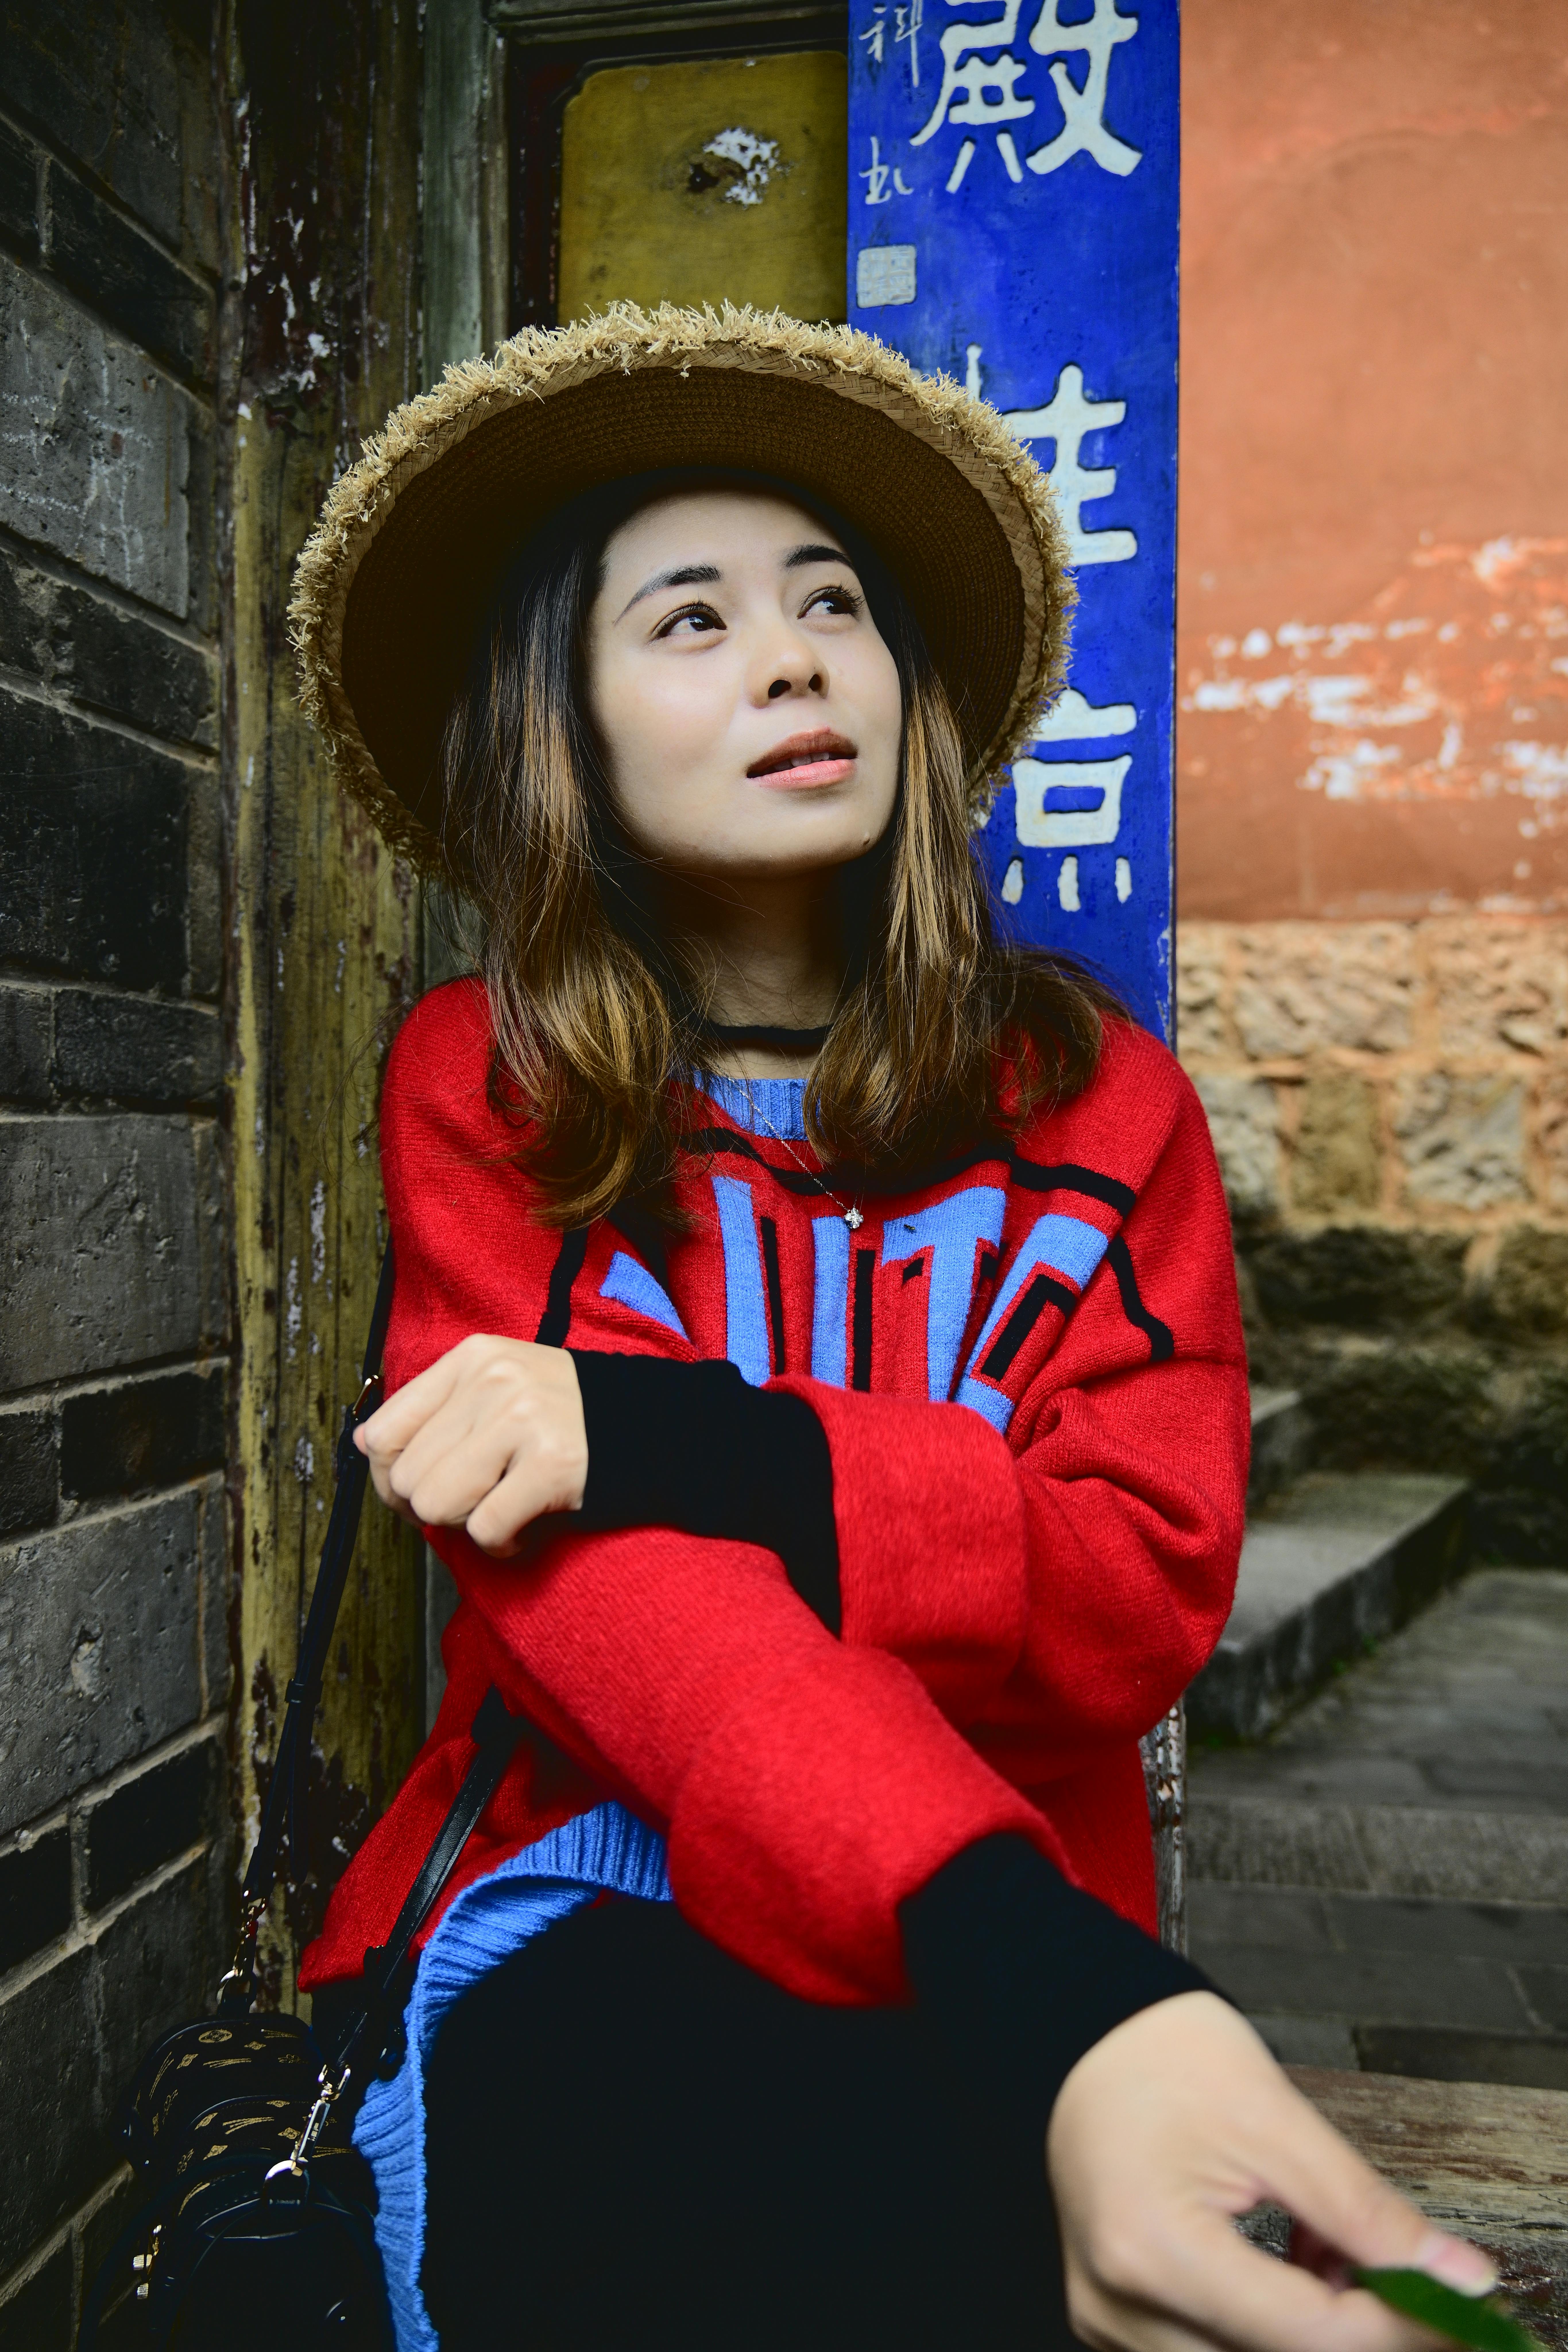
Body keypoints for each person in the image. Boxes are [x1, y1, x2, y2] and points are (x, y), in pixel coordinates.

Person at [291, 305, 1494, 2352]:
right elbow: (624, 1622)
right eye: (688, 620)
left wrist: (686, 1438)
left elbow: (1135, 1589)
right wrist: (1032, 1968)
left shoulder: (1102, 1112)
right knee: (739, 2190)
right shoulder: (486, 1091)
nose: (790, 656)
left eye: (830, 601)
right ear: (559, 732)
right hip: (604, 1875)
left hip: (1021, 1899)